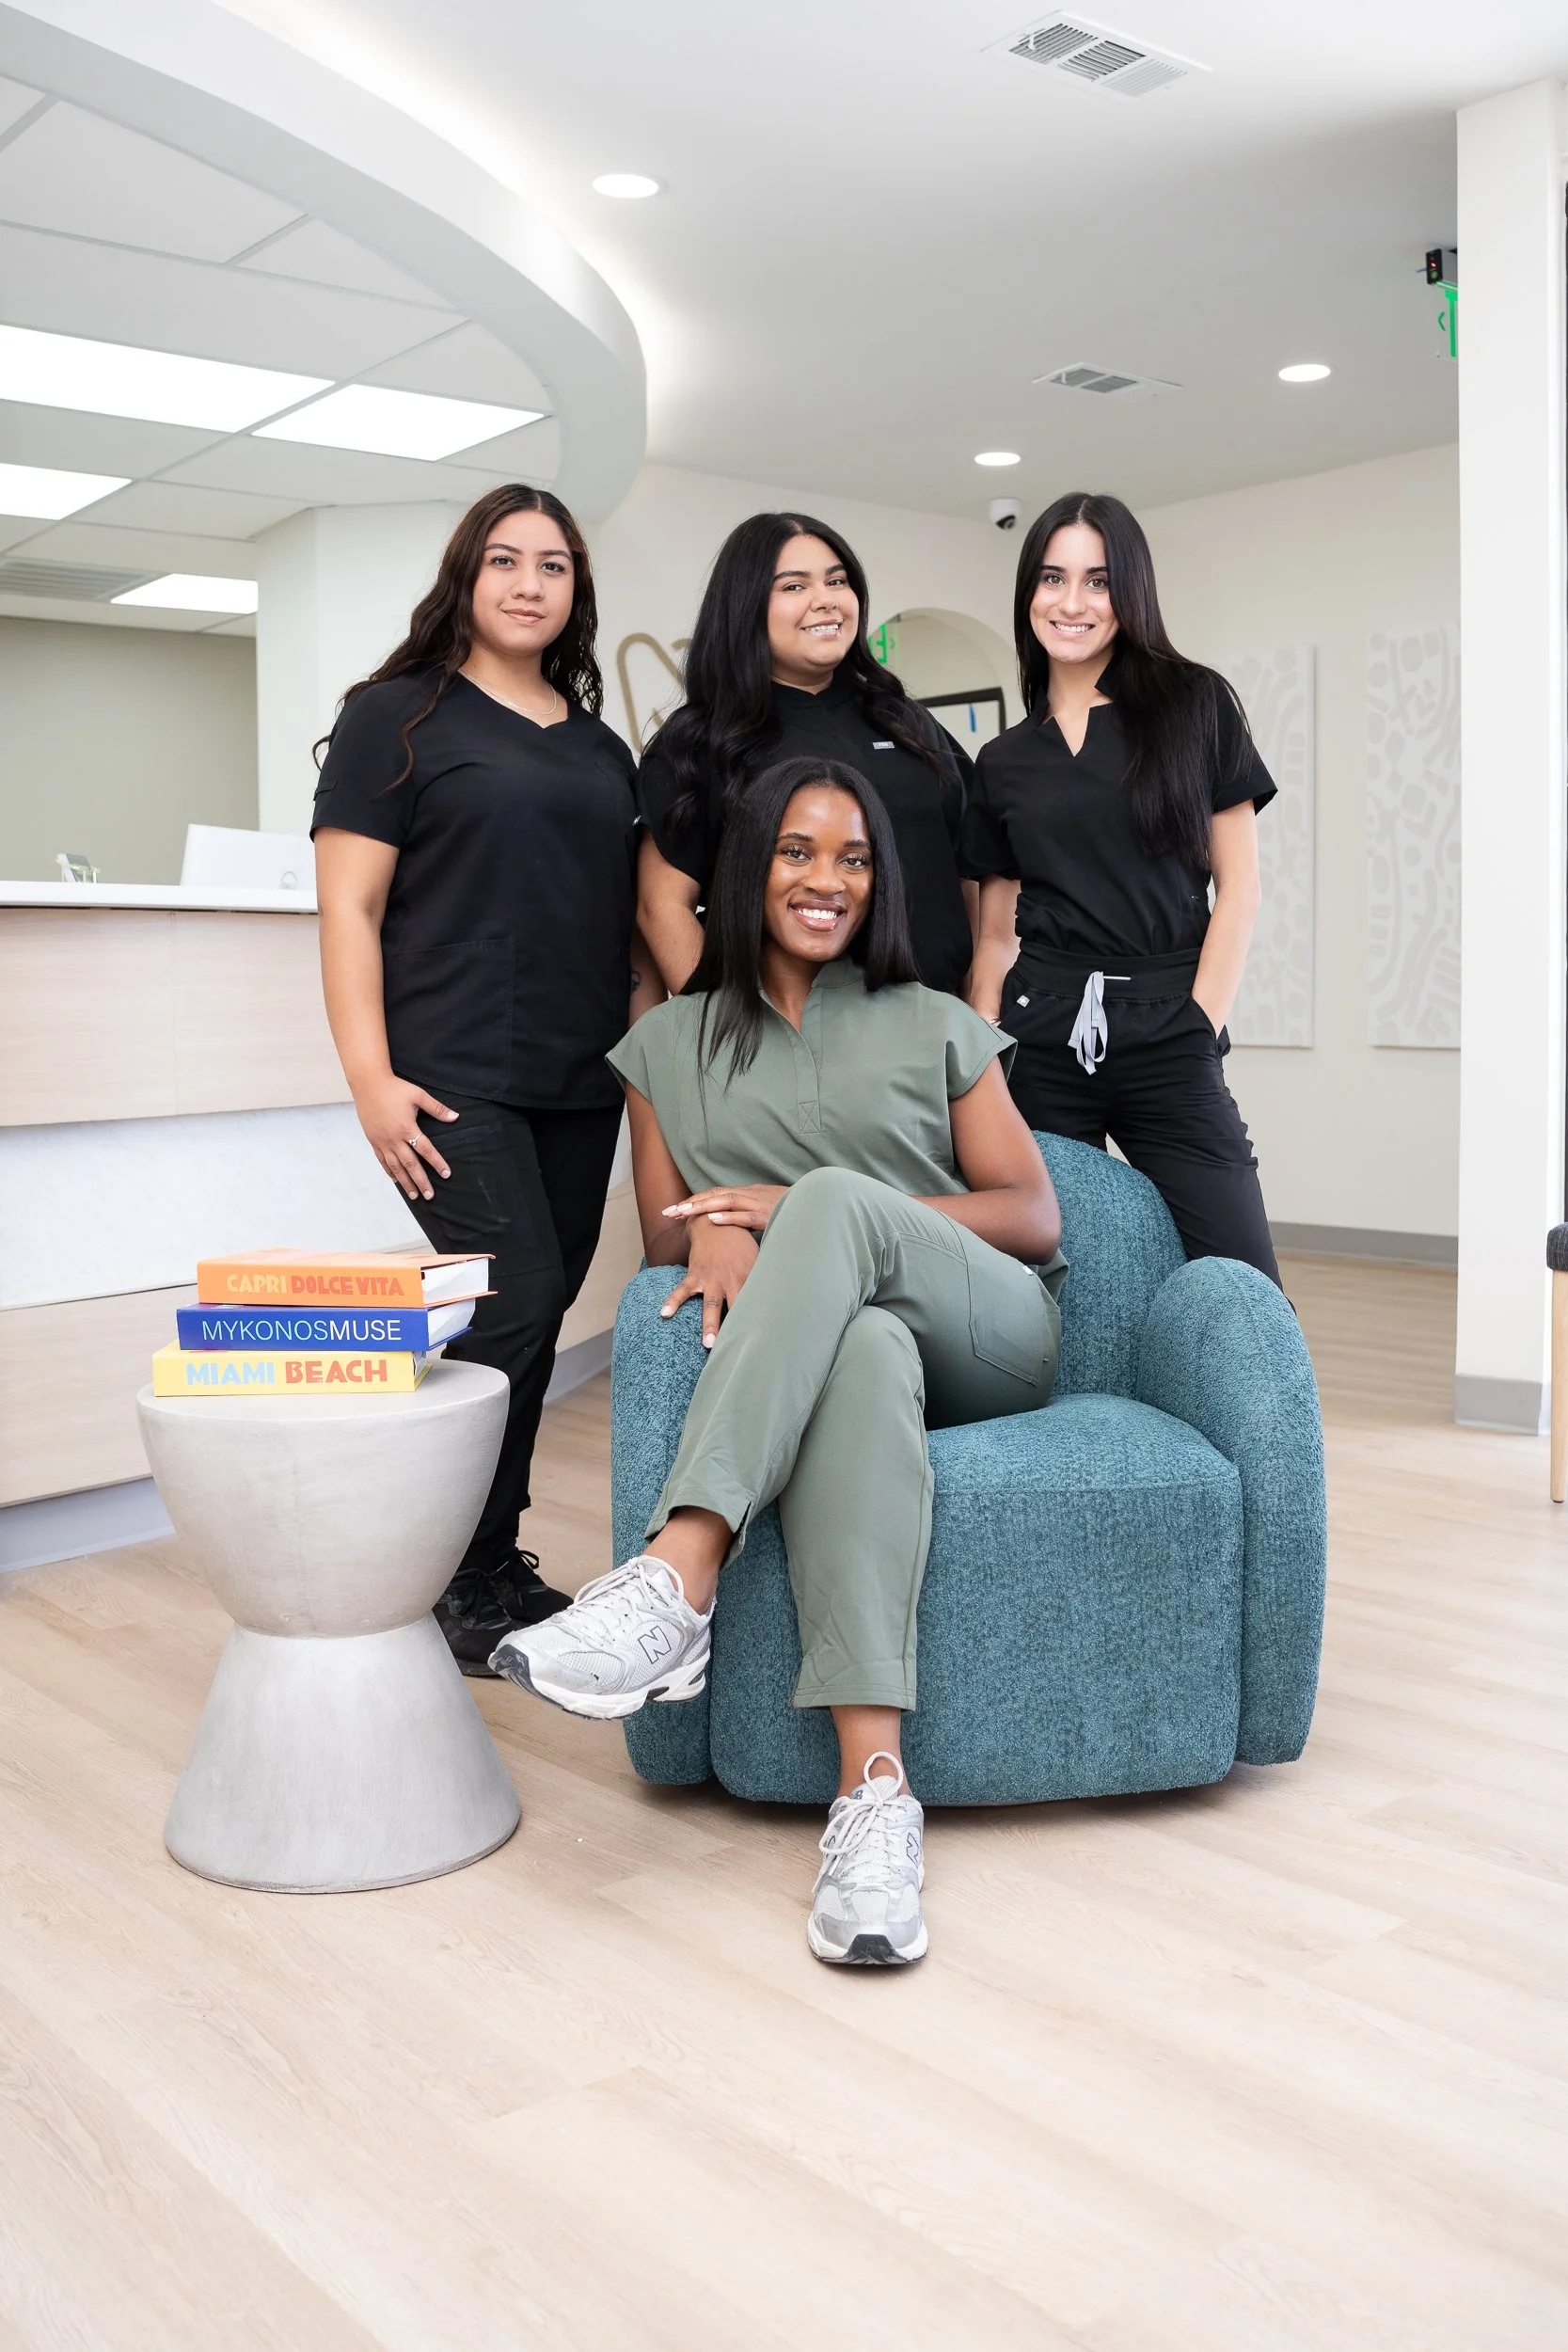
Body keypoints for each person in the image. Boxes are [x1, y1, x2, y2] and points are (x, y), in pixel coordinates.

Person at [491, 756, 1066, 1967]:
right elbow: (660, 1236)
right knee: (852, 1346)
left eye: (852, 858)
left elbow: (1031, 1214)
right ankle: (873, 1803)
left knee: (836, 1206)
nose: (826, 879)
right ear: (752, 867)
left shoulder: (929, 1019)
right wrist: (712, 1226)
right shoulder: (666, 1045)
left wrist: (812, 1208)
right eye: (799, 851)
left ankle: (678, 1571)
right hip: (853, 1355)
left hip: (987, 1334)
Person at [313, 485, 660, 1674]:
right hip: (452, 1068)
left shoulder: (599, 744)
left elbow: (622, 928)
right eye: (504, 560)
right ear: (466, 574)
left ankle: (485, 1557)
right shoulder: (395, 718)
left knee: (537, 1307)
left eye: (552, 565)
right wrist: (368, 1078)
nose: (528, 582)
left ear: (575, 592)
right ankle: (449, 1567)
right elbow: (349, 911)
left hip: (577, 1073)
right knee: (509, 1305)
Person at [963, 490, 1281, 1283]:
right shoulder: (1003, 761)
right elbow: (997, 936)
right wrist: (979, 1063)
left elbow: (1238, 888)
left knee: (1242, 1282)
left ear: (1129, 591)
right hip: (1039, 1036)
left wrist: (1198, 1027)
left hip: (1167, 1027)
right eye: (1051, 578)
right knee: (1036, 1281)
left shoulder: (1193, 705)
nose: (1071, 603)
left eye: (1097, 581)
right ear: (1026, 593)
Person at [636, 511, 976, 996]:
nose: (826, 601)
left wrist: (976, 1005)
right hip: (789, 1034)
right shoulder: (700, 740)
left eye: (837, 581)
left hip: (935, 1018)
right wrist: (722, 1027)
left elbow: (967, 872)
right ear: (746, 606)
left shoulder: (906, 722)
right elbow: (661, 905)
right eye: (794, 587)